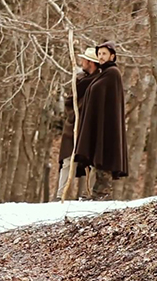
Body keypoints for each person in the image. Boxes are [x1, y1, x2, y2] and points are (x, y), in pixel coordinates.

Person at [75, 41, 128, 200]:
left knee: (105, 160)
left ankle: (101, 193)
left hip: (107, 127)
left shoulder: (112, 73)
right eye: (99, 54)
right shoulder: (104, 74)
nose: (101, 57)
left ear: (112, 56)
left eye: (104, 54)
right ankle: (96, 192)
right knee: (98, 160)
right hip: (100, 125)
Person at [55, 48, 100, 201]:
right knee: (68, 161)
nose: (82, 62)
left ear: (90, 62)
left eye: (84, 60)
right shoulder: (79, 79)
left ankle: (89, 194)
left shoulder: (99, 81)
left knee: (91, 162)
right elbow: (70, 101)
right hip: (73, 126)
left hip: (90, 128)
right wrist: (75, 115)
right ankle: (61, 195)